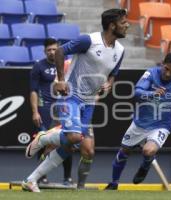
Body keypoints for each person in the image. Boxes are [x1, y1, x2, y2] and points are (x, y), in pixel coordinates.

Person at [22, 8, 129, 192]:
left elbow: (113, 74)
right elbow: (60, 51)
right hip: (70, 94)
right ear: (112, 26)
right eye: (123, 22)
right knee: (73, 136)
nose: (127, 25)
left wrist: (109, 84)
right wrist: (61, 80)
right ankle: (44, 137)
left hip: (89, 102)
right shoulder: (89, 40)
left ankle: (31, 180)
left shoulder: (120, 50)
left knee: (72, 144)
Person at [104, 53, 171, 190]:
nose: (168, 74)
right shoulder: (151, 74)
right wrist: (153, 94)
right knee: (124, 152)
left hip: (162, 125)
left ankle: (145, 166)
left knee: (148, 151)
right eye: (166, 69)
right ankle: (114, 183)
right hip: (140, 123)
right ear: (162, 63)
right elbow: (137, 92)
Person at [29, 38, 73, 185]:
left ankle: (67, 177)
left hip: (64, 108)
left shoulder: (67, 64)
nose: (52, 52)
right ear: (45, 51)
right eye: (49, 50)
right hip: (45, 108)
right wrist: (35, 112)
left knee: (68, 140)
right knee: (42, 142)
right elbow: (33, 91)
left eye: (54, 49)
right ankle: (42, 177)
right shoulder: (38, 66)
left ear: (59, 50)